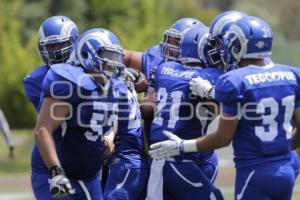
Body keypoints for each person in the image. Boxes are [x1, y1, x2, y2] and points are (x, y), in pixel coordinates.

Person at [150, 16, 300, 200]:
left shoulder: (234, 81)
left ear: (239, 45)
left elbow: (223, 137)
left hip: (254, 170)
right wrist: (280, 148)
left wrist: (181, 146)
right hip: (287, 166)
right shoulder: (293, 74)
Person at [34, 28, 127, 199]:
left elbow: (111, 116)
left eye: (116, 57)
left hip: (88, 175)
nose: (114, 63)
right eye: (109, 57)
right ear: (87, 55)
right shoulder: (69, 82)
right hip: (58, 172)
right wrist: (56, 171)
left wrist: (109, 136)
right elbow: (42, 130)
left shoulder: (111, 86)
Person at [147, 23, 223, 200]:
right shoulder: (209, 76)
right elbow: (236, 103)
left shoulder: (162, 70)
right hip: (176, 155)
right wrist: (212, 91)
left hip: (164, 154)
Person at [23, 15, 79, 200]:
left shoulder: (89, 73)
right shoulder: (36, 80)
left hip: (84, 160)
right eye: (50, 47)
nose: (55, 52)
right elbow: (55, 120)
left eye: (59, 45)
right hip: (49, 162)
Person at [102, 68, 149, 200]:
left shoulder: (114, 88)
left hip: (125, 162)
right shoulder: (123, 87)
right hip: (129, 164)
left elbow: (112, 121)